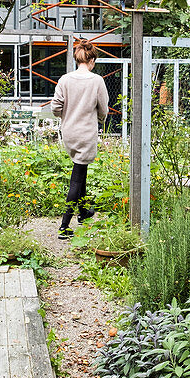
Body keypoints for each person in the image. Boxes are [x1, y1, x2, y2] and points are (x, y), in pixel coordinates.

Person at [51, 40, 109, 237]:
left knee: (80, 168)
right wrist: (98, 118)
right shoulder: (96, 81)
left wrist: (68, 116)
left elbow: (55, 107)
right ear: (91, 60)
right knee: (77, 177)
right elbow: (103, 110)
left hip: (69, 132)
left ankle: (83, 212)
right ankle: (64, 226)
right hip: (86, 133)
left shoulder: (65, 79)